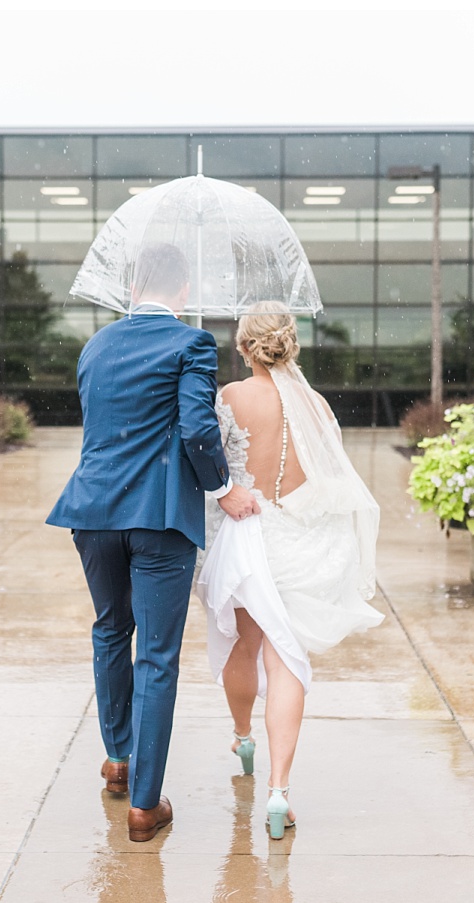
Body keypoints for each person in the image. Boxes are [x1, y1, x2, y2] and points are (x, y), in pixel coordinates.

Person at [46, 243, 260, 842]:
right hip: (159, 517)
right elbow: (196, 427)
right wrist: (222, 488)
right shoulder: (191, 345)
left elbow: (103, 427)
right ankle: (145, 805)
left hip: (92, 512)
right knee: (157, 656)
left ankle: (118, 759)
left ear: (134, 286)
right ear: (183, 291)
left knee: (111, 629)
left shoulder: (95, 347)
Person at [195, 302, 384, 839]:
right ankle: (279, 792)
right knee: (286, 663)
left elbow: (211, 462)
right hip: (301, 542)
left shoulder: (229, 397)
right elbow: (329, 480)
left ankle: (241, 734)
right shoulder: (318, 406)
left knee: (243, 645)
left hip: (247, 538)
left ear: (244, 347)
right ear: (289, 344)